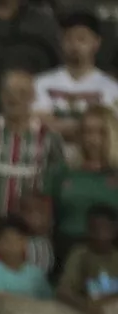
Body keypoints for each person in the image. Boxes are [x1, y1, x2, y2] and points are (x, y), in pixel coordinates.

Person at [0, 68, 66, 296]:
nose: (14, 98)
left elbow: (56, 186)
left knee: (31, 304)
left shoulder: (49, 140)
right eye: (8, 91)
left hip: (31, 244)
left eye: (22, 92)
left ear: (33, 97)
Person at [33, 11, 118, 152]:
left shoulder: (111, 88)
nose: (75, 45)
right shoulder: (41, 83)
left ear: (96, 43)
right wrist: (85, 128)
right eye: (69, 39)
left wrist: (58, 125)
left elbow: (110, 129)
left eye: (82, 39)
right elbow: (37, 124)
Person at [48, 105, 118, 279]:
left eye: (101, 132)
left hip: (109, 256)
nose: (93, 139)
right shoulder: (63, 172)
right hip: (65, 251)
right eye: (87, 132)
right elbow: (47, 215)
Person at [57, 203, 118, 314]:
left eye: (104, 229)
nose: (99, 235)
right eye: (94, 229)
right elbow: (63, 291)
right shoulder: (79, 254)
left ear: (115, 230)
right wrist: (86, 307)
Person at [0, 215, 51, 299]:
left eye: (17, 240)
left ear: (25, 242)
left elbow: (48, 301)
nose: (12, 245)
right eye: (7, 240)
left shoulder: (36, 274)